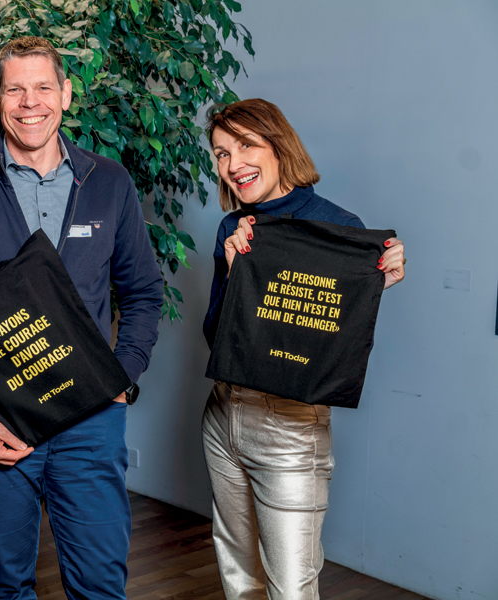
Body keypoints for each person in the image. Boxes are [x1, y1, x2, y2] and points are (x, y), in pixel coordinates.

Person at [0, 36, 164, 599]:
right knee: (5, 587)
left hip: (91, 419)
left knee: (100, 587)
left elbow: (144, 292)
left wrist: (122, 374)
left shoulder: (110, 182)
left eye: (44, 87)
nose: (31, 103)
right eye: (16, 90)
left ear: (66, 95)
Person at [201, 98, 406, 600]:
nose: (233, 164)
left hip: (290, 426)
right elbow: (216, 337)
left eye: (246, 145)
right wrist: (237, 275)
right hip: (223, 413)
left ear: (278, 145)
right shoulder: (233, 228)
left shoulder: (341, 227)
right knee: (239, 575)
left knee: (291, 587)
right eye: (222, 153)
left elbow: (329, 339)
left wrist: (377, 281)